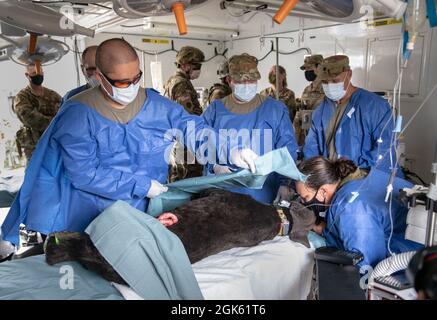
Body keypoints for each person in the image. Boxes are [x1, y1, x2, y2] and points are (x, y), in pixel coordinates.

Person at [1, 39, 258, 246]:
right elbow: (84, 173)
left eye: (137, 78)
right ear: (100, 77)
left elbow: (192, 128)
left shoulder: (156, 105)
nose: (133, 86)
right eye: (123, 82)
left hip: (146, 211)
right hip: (92, 215)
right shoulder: (78, 113)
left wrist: (230, 151)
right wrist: (141, 185)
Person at [202, 53, 299, 205]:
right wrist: (213, 165)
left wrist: (285, 183)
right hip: (224, 190)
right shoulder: (215, 111)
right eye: (241, 81)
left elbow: (287, 149)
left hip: (264, 191)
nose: (247, 85)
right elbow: (202, 142)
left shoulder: (275, 109)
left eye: (251, 80)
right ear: (229, 80)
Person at [295, 156, 422, 268]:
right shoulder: (356, 178)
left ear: (323, 191)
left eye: (305, 198)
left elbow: (365, 263)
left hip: (413, 260)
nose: (303, 203)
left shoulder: (351, 207)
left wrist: (326, 233)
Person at [303, 55, 395, 173]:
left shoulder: (374, 106)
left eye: (335, 81)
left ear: (349, 74)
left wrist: (355, 174)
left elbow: (385, 151)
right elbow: (311, 149)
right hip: (331, 178)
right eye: (325, 82)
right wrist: (314, 175)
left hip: (364, 178)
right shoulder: (320, 111)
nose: (330, 85)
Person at [164, 46, 205, 182]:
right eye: (196, 65)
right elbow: (188, 117)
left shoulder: (172, 80)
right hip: (185, 142)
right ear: (185, 65)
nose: (198, 69)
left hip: (176, 140)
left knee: (178, 177)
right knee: (189, 180)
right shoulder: (182, 85)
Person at [14, 64, 61, 161]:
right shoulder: (22, 96)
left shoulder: (53, 95)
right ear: (27, 75)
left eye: (40, 73)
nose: (38, 75)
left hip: (54, 143)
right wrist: (54, 123)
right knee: (36, 173)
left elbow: (63, 114)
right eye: (34, 73)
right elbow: (28, 117)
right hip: (34, 147)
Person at [294, 54, 325, 146]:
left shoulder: (328, 89)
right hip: (307, 139)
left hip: (322, 138)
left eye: (309, 68)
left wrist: (305, 115)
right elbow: (301, 118)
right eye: (305, 70)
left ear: (319, 66)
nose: (307, 72)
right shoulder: (307, 90)